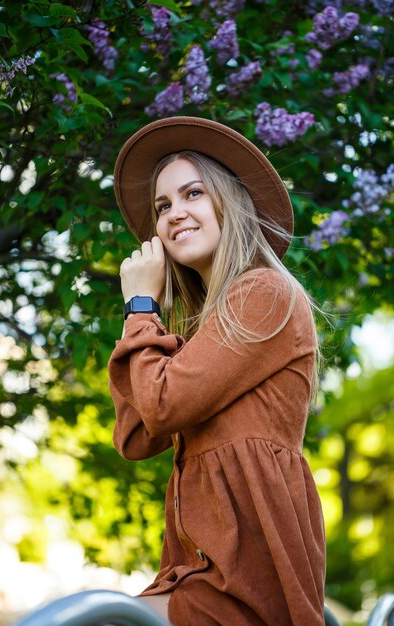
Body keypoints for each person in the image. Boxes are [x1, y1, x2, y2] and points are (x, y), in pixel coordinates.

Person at [108, 116, 326, 626]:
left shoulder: (264, 292)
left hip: (249, 577)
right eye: (162, 206)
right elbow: (136, 435)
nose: (174, 213)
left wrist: (140, 306)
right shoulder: (196, 335)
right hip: (198, 570)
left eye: (192, 194)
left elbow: (161, 405)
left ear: (229, 202)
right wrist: (146, 318)